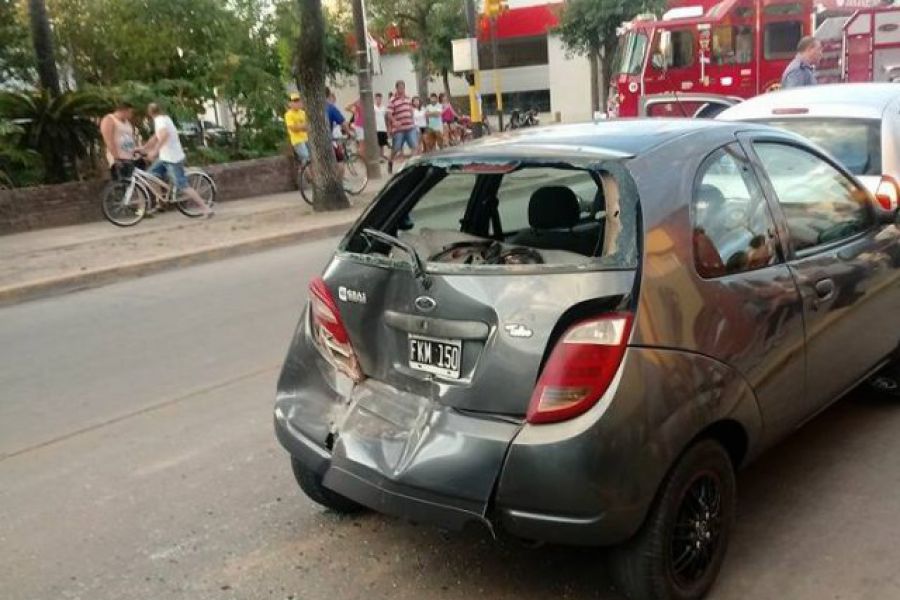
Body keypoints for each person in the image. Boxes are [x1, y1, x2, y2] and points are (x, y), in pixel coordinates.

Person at [140, 102, 213, 218]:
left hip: (173, 158)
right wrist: (144, 148)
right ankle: (161, 200)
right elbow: (156, 136)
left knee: (182, 185)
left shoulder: (160, 120)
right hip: (165, 157)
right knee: (150, 176)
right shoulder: (164, 119)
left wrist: (154, 151)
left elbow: (164, 136)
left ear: (149, 113)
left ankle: (206, 208)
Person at [100, 101, 138, 180]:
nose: (131, 115)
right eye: (130, 112)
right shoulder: (110, 119)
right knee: (121, 184)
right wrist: (116, 157)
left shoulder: (127, 123)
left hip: (129, 158)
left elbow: (131, 137)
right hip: (119, 158)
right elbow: (108, 140)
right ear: (124, 111)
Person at [386, 80, 418, 173]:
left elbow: (410, 110)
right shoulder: (393, 100)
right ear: (396, 88)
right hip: (399, 129)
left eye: (403, 87)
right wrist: (394, 121)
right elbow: (389, 114)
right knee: (396, 148)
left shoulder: (408, 98)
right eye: (399, 88)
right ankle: (390, 161)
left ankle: (412, 166)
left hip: (410, 127)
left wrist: (413, 121)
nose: (401, 89)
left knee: (415, 147)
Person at [284, 92, 309, 165]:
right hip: (297, 140)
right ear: (290, 103)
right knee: (306, 157)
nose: (297, 103)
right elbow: (292, 128)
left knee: (312, 158)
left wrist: (299, 126)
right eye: (294, 101)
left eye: (298, 100)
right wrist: (302, 126)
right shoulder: (288, 115)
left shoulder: (303, 113)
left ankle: (309, 174)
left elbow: (308, 126)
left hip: (306, 138)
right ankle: (304, 174)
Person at [374, 93, 388, 162]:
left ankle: (382, 155)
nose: (379, 100)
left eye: (380, 98)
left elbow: (385, 118)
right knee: (377, 143)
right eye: (377, 98)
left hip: (383, 127)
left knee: (382, 143)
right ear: (375, 99)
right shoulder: (373, 107)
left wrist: (387, 128)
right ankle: (377, 157)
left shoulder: (383, 108)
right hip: (376, 128)